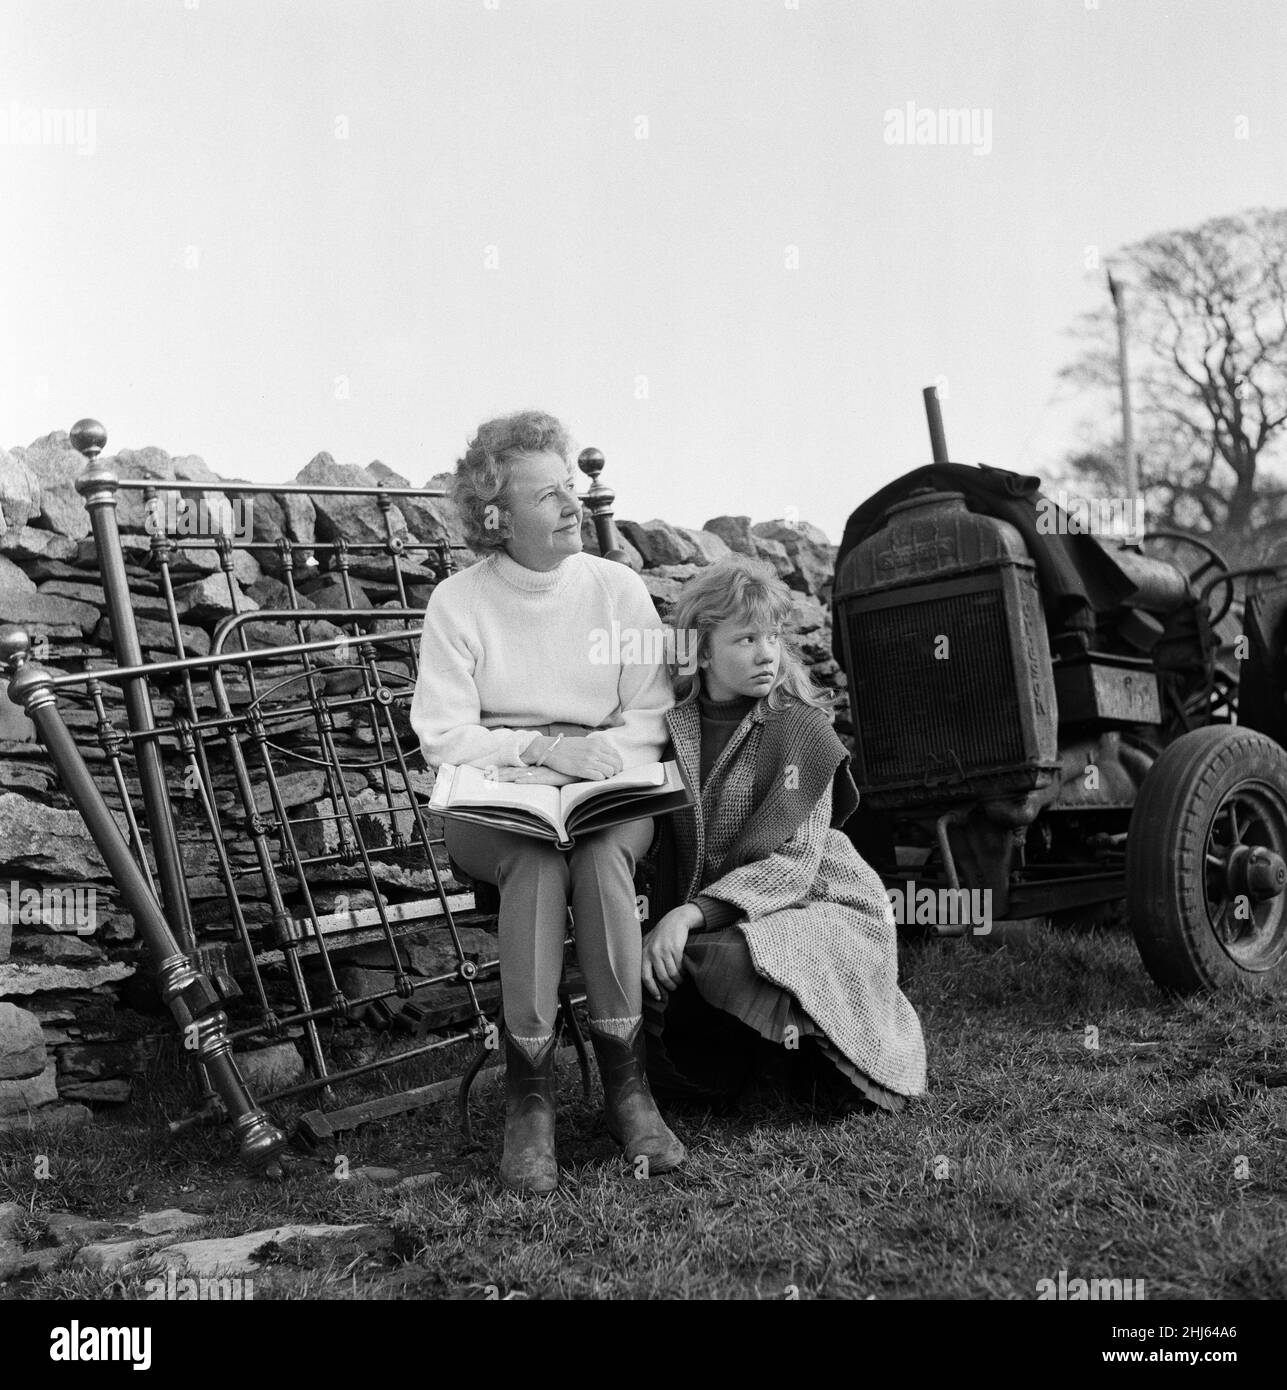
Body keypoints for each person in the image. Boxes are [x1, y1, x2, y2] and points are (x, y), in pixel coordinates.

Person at [409, 410, 684, 1193]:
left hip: (608, 792)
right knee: (532, 864)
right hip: (497, 804)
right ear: (496, 518)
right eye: (547, 496)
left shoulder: (616, 587)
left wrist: (586, 765)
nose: (570, 506)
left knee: (599, 860)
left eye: (571, 488)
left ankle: (630, 1096)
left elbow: (651, 712)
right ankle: (528, 1108)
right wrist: (535, 751)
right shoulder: (457, 603)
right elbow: (442, 734)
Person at [642, 555, 928, 1113]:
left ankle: (807, 1062)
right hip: (710, 911)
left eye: (772, 636)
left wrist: (687, 914)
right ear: (701, 650)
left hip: (814, 899)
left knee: (730, 954)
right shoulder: (668, 726)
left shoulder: (802, 729)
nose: (766, 652)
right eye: (746, 639)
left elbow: (795, 865)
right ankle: (742, 1063)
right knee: (670, 972)